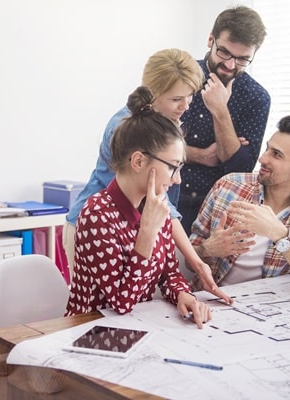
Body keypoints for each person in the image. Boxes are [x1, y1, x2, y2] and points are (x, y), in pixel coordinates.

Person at [63, 48, 232, 303]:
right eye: (177, 99)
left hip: (143, 221)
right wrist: (195, 260)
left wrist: (190, 270)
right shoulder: (126, 129)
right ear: (153, 94)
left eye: (189, 97)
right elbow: (120, 301)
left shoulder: (167, 123)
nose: (185, 106)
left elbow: (163, 213)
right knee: (104, 304)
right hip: (102, 227)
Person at [65, 86, 212, 328]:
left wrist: (182, 294)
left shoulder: (155, 205)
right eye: (173, 167)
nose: (178, 180)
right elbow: (121, 303)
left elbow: (169, 274)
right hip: (90, 331)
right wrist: (147, 233)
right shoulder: (96, 214)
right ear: (139, 161)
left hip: (136, 327)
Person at [189, 115, 290, 293]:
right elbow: (189, 258)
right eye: (267, 149)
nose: (262, 159)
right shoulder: (229, 186)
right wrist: (207, 249)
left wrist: (280, 235)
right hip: (208, 300)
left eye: (276, 155)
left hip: (269, 310)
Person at [178, 6, 271, 235]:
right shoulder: (179, 75)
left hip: (215, 208)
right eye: (224, 53)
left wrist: (220, 110)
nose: (230, 65)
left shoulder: (257, 98)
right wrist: (201, 155)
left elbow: (240, 168)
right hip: (166, 195)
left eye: (242, 59)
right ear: (211, 39)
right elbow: (146, 143)